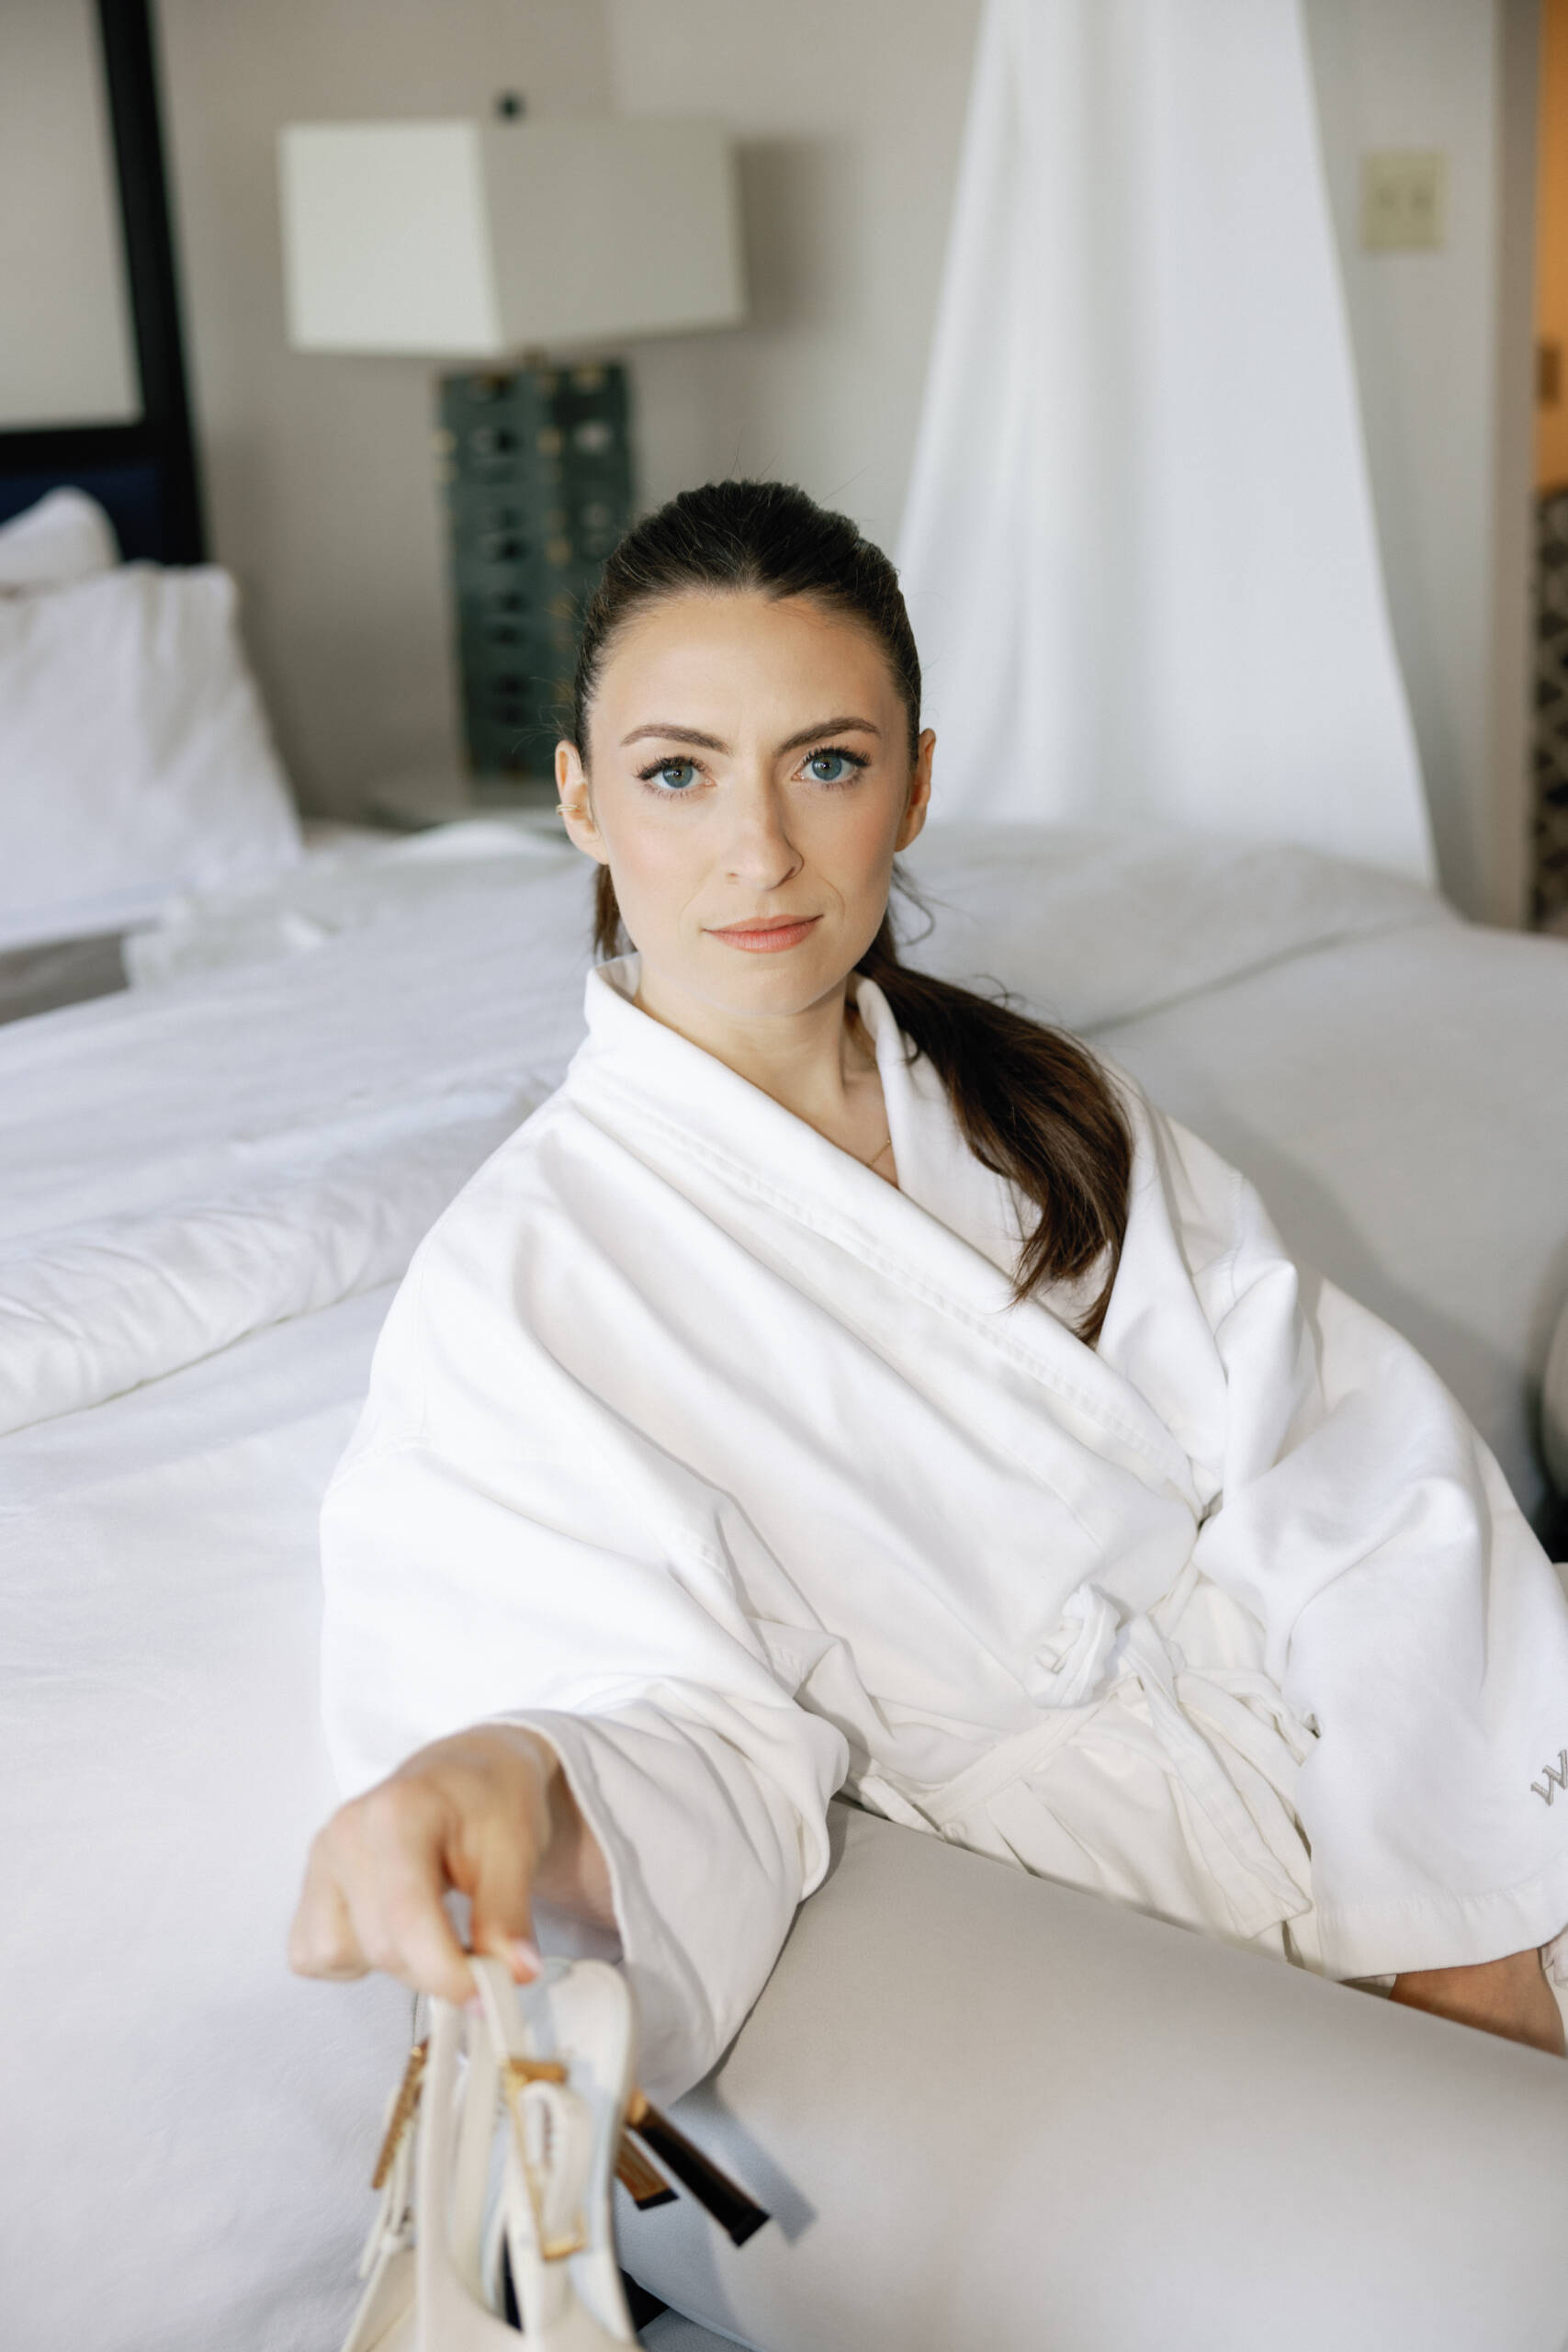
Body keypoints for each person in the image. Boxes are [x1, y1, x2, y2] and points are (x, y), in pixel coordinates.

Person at [289, 480, 1568, 2096]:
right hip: (1077, 1953)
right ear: (581, 801)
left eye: (826, 763)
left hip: (1386, 1797)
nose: (759, 851)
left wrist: (1465, 1930)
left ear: (914, 785)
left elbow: (1338, 1464)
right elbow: (670, 1729)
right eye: (679, 773)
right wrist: (520, 1777)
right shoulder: (525, 1275)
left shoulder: (1038, 1102)